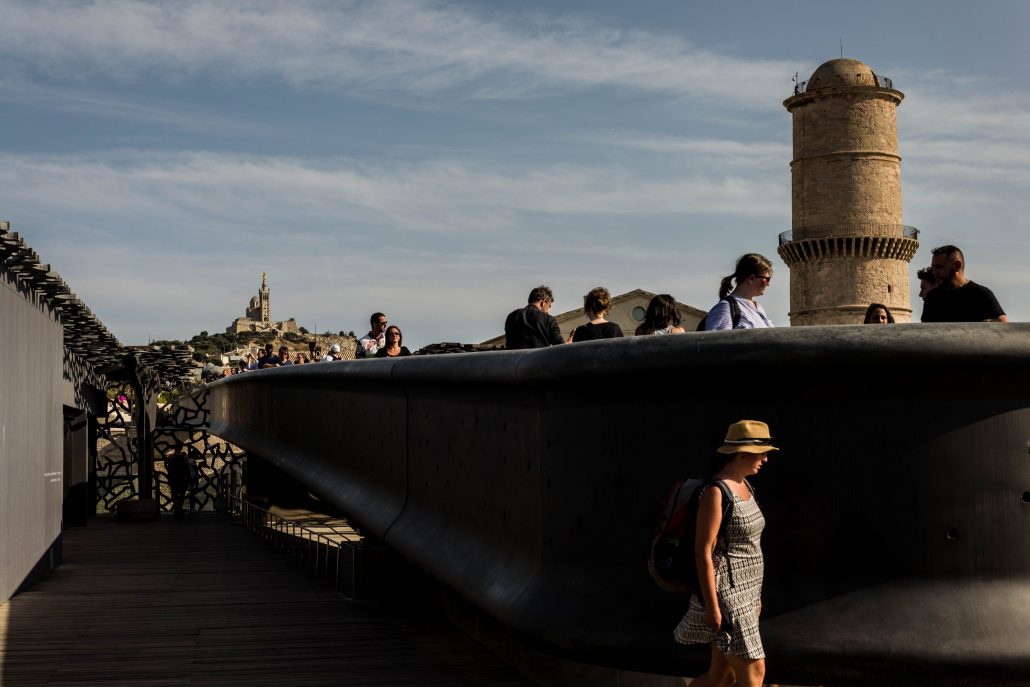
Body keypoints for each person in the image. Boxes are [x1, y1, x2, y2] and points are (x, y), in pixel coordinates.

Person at [674, 420, 779, 687]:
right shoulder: (716, 492)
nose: (765, 459)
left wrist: (755, 595)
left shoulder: (745, 486)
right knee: (754, 672)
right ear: (742, 453)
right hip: (728, 596)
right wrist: (711, 605)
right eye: (761, 453)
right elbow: (703, 552)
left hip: (748, 593)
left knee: (722, 676)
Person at [922, 245, 1007, 322]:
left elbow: (1004, 326)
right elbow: (925, 332)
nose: (934, 272)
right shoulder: (933, 297)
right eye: (933, 267)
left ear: (957, 265)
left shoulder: (981, 294)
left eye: (939, 267)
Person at [705, 254, 774, 330]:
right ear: (751, 279)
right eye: (767, 280)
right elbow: (718, 340)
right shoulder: (725, 308)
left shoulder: (759, 308)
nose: (768, 284)